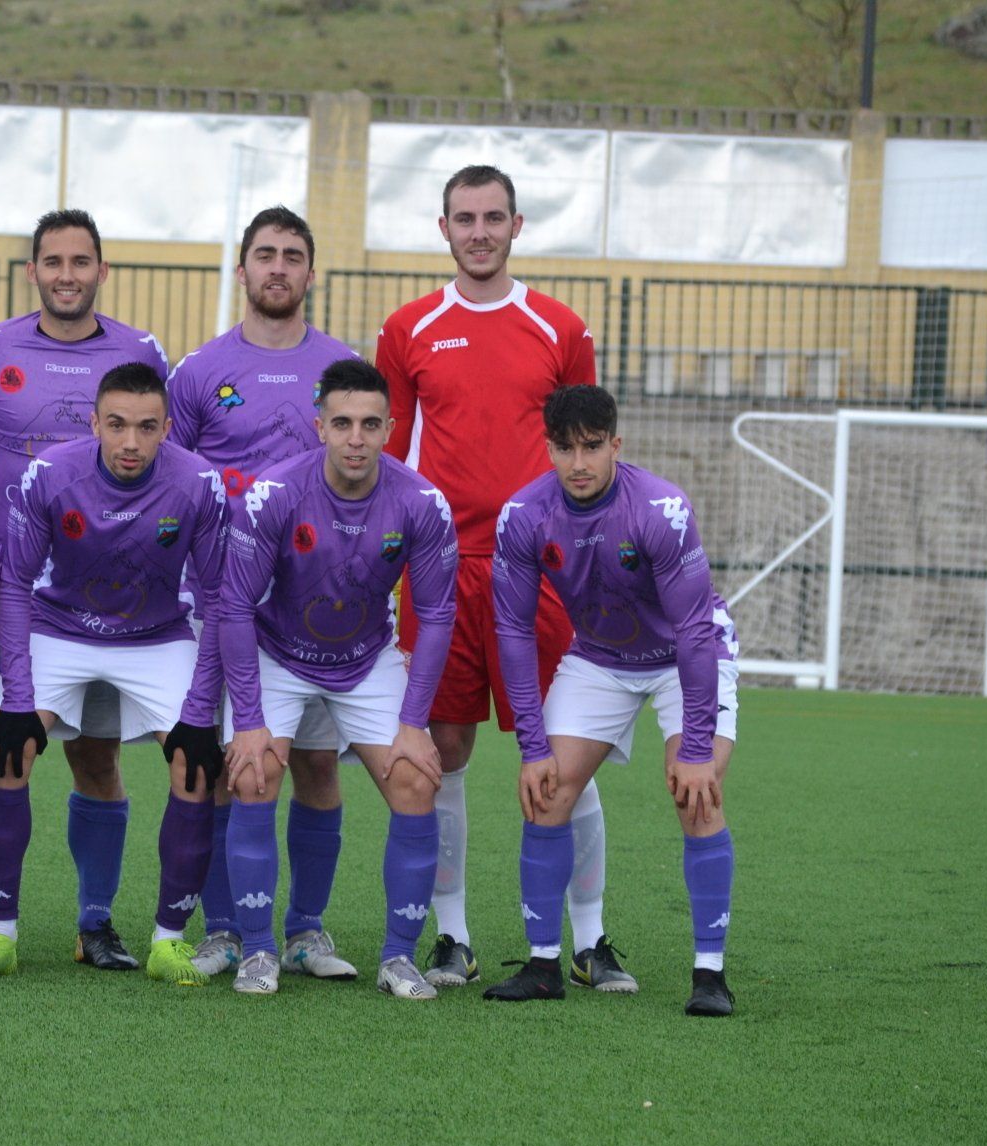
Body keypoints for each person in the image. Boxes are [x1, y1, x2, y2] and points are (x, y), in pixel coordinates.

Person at [375, 164, 631, 994]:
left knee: (564, 750)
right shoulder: (409, 328)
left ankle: (588, 940)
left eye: (493, 217)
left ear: (517, 226)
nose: (479, 231)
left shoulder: (559, 327)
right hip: (443, 570)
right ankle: (452, 936)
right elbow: (390, 457)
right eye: (464, 218)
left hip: (545, 572)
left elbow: (588, 454)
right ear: (442, 228)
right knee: (443, 750)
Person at [0, 209, 172, 970]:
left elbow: (168, 458)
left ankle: (96, 923)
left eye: (82, 262)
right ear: (33, 271)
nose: (68, 275)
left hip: (108, 594)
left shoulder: (141, 351)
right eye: (54, 262)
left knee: (98, 761)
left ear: (102, 271)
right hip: (14, 589)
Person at [0, 361, 228, 984]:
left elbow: (220, 599)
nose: (131, 443)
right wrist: (23, 700)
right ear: (94, 423)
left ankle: (169, 939)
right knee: (6, 752)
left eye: (145, 427)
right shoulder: (51, 476)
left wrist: (199, 712)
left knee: (197, 764)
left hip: (157, 636)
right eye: (116, 425)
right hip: (59, 629)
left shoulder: (199, 484)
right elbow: (14, 584)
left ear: (168, 427)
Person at [486, 384, 738, 1016]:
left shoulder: (660, 508)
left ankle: (710, 975)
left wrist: (699, 747)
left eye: (592, 447)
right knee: (546, 789)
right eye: (566, 448)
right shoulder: (523, 515)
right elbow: (513, 631)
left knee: (695, 791)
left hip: (686, 659)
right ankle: (545, 963)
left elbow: (693, 632)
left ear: (615, 445)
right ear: (547, 449)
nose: (579, 463)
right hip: (599, 656)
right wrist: (532, 744)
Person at [220, 359, 459, 999]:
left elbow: (436, 613)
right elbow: (235, 606)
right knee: (252, 771)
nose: (357, 437)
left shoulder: (421, 502)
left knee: (415, 780)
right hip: (280, 655)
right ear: (320, 426)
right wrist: (248, 720)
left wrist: (413, 725)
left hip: (366, 659)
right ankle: (260, 950)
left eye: (371, 425)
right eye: (344, 423)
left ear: (389, 430)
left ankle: (398, 957)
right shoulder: (274, 495)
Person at [167, 205, 361, 981]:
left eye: (292, 257)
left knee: (315, 764)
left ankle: (308, 930)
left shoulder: (344, 366)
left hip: (321, 608)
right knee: (224, 765)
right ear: (241, 270)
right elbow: (170, 484)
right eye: (265, 255)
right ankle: (223, 927)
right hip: (224, 604)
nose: (278, 268)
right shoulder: (199, 371)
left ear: (311, 274)